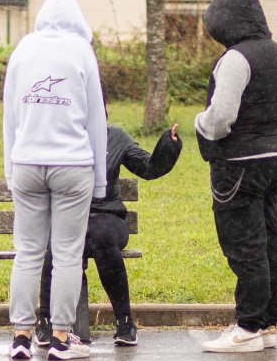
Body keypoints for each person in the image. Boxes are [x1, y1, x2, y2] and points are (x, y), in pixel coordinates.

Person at [3, 0, 108, 361]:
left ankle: (20, 335)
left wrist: (10, 170)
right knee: (67, 253)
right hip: (72, 164)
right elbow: (97, 118)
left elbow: (10, 117)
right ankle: (61, 338)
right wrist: (99, 180)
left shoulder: (23, 49)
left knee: (27, 252)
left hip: (26, 163)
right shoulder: (81, 51)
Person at [192, 0, 277, 353]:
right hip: (274, 157)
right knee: (268, 240)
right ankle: (266, 321)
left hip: (237, 165)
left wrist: (200, 125)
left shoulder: (235, 59)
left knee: (243, 244)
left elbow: (221, 117)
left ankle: (247, 328)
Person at [36, 121, 182, 347]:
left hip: (108, 216)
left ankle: (125, 322)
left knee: (101, 236)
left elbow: (149, 167)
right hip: (70, 216)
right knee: (60, 242)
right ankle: (45, 321)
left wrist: (168, 145)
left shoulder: (115, 137)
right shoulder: (61, 136)